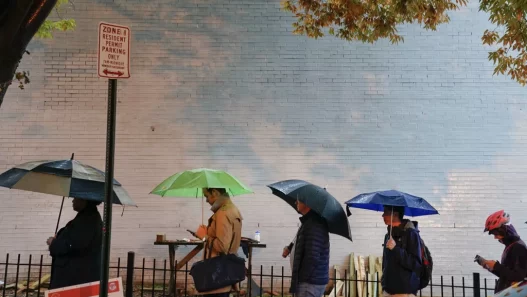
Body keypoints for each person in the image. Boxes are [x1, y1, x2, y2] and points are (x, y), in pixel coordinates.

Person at [195, 188, 243, 297]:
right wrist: (209, 231)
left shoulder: (223, 213)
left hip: (217, 274)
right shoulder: (232, 209)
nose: (206, 200)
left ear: (215, 192)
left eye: (206, 196)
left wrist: (204, 237)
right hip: (225, 271)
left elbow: (222, 246)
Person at [46, 198, 103, 289]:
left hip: (75, 279)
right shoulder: (86, 217)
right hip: (75, 277)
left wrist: (54, 243)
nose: (72, 201)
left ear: (84, 200)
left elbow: (74, 245)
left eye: (75, 198)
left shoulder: (88, 220)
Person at [282, 199, 330, 297]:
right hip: (308, 282)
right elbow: (305, 244)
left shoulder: (314, 225)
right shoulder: (309, 222)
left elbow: (313, 256)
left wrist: (302, 279)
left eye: (299, 200)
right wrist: (290, 248)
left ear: (307, 204)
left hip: (309, 284)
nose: (296, 202)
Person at [476, 210, 527, 293]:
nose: (495, 238)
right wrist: (489, 266)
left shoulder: (518, 247)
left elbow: (518, 277)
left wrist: (496, 266)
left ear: (505, 230)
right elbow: (507, 275)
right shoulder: (511, 246)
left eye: (496, 233)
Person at [381, 205, 422, 297]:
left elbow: (416, 264)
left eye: (386, 213)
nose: (382, 216)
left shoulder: (411, 234)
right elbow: (386, 262)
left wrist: (396, 249)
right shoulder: (388, 236)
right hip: (388, 289)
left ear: (395, 214)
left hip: (404, 291)